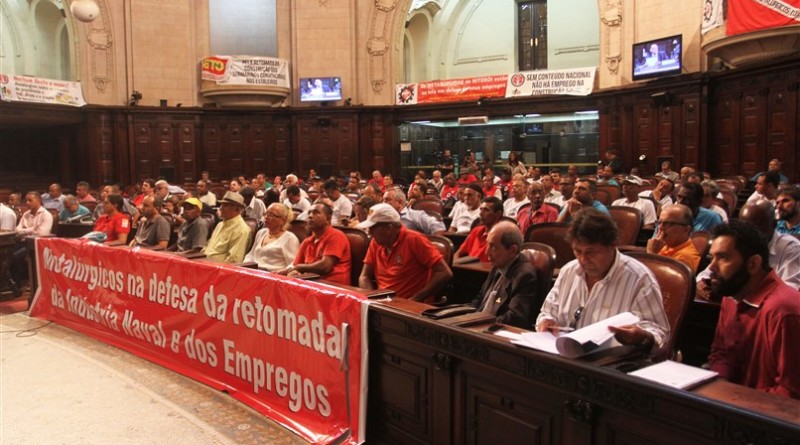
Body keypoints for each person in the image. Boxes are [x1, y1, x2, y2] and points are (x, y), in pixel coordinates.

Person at [536, 208, 670, 355]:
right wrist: (546, 321)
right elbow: (547, 312)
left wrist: (642, 336)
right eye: (577, 251)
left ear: (612, 245)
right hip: (562, 357)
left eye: (591, 252)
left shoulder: (639, 279)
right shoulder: (569, 271)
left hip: (612, 365)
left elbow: (659, 333)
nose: (583, 260)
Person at [706, 220, 800, 398]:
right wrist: (720, 388)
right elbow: (721, 353)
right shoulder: (731, 295)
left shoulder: (784, 311)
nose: (711, 267)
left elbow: (791, 393)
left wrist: (732, 399)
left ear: (753, 264)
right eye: (712, 258)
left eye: (724, 258)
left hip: (769, 418)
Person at [697, 200, 800, 297]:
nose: (749, 234)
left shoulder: (792, 249)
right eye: (744, 227)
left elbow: (790, 290)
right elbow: (710, 271)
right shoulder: (737, 241)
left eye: (757, 228)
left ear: (773, 225)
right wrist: (701, 282)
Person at [357, 203, 452, 301]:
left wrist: (415, 299)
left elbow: (444, 272)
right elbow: (364, 276)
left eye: (372, 228)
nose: (369, 232)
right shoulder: (375, 242)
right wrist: (370, 299)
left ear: (389, 228)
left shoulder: (415, 239)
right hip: (382, 306)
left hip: (408, 309)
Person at [471, 221, 539, 328]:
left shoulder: (524, 275)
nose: (486, 252)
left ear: (512, 250)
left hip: (494, 335)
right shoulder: (498, 265)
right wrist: (465, 317)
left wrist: (480, 324)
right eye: (487, 244)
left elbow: (515, 318)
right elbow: (480, 299)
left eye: (493, 247)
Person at [277, 203, 351, 285]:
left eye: (316, 212)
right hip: (310, 284)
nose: (310, 216)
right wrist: (282, 273)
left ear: (328, 218)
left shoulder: (336, 236)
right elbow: (296, 266)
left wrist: (299, 268)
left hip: (333, 287)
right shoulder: (307, 241)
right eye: (309, 213)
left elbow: (325, 266)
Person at [244, 203, 299, 271]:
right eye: (266, 213)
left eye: (272, 215)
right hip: (255, 272)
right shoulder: (261, 233)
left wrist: (281, 273)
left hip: (274, 275)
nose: (266, 217)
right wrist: (245, 266)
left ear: (283, 220)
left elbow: (293, 264)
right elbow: (251, 255)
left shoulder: (290, 238)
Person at [646, 204, 701, 272]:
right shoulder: (664, 246)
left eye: (668, 223)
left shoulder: (685, 258)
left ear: (686, 229)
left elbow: (657, 280)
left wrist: (652, 254)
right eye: (659, 223)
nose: (660, 227)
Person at [203, 191, 251, 263]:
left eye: (225, 205)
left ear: (237, 209)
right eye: (221, 205)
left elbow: (233, 260)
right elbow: (207, 248)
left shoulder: (242, 229)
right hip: (204, 263)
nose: (221, 208)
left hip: (218, 269)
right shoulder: (220, 224)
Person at [454, 197, 503, 263]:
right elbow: (457, 254)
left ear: (498, 214)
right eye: (481, 209)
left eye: (486, 210)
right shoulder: (476, 231)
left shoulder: (501, 234)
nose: (480, 214)